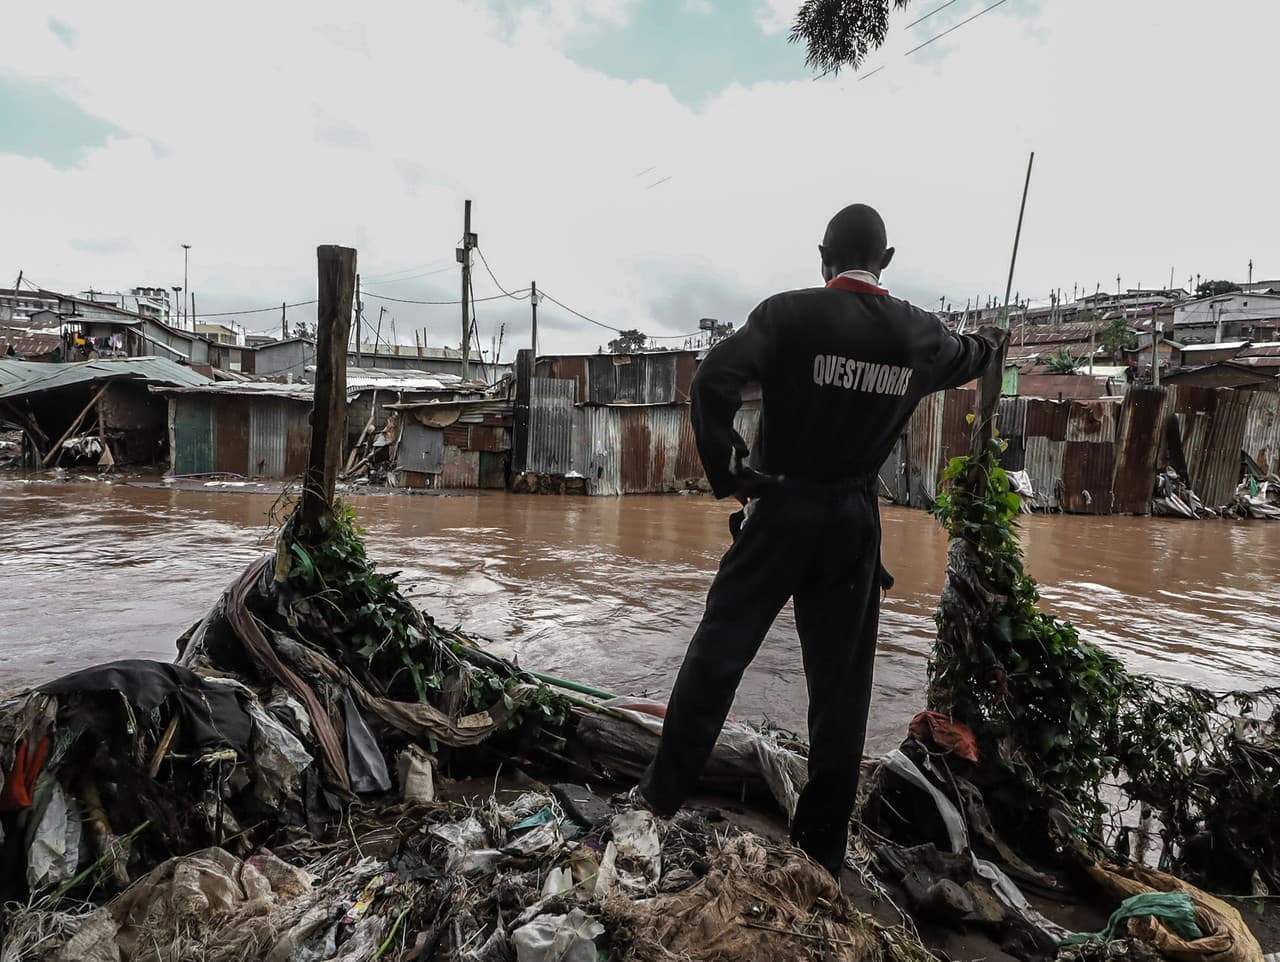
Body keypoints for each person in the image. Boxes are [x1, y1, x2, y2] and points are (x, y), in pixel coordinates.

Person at [636, 203, 1007, 876]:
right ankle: (820, 852)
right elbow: (971, 356)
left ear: (822, 256)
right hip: (852, 523)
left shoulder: (789, 315)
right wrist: (993, 344)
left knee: (717, 656)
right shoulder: (918, 335)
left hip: (779, 507)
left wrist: (732, 473)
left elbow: (713, 380)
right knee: (841, 693)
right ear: (887, 261)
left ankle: (659, 799)